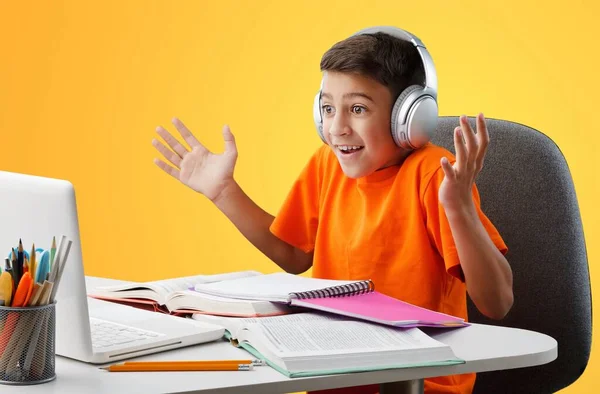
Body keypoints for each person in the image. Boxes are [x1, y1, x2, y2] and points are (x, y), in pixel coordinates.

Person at [151, 26, 513, 394]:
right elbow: (292, 255)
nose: (336, 128)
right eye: (327, 108)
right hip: (333, 377)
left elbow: (497, 302)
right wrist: (223, 191)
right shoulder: (328, 164)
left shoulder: (433, 175)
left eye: (357, 109)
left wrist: (458, 207)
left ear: (408, 116)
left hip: (417, 383)